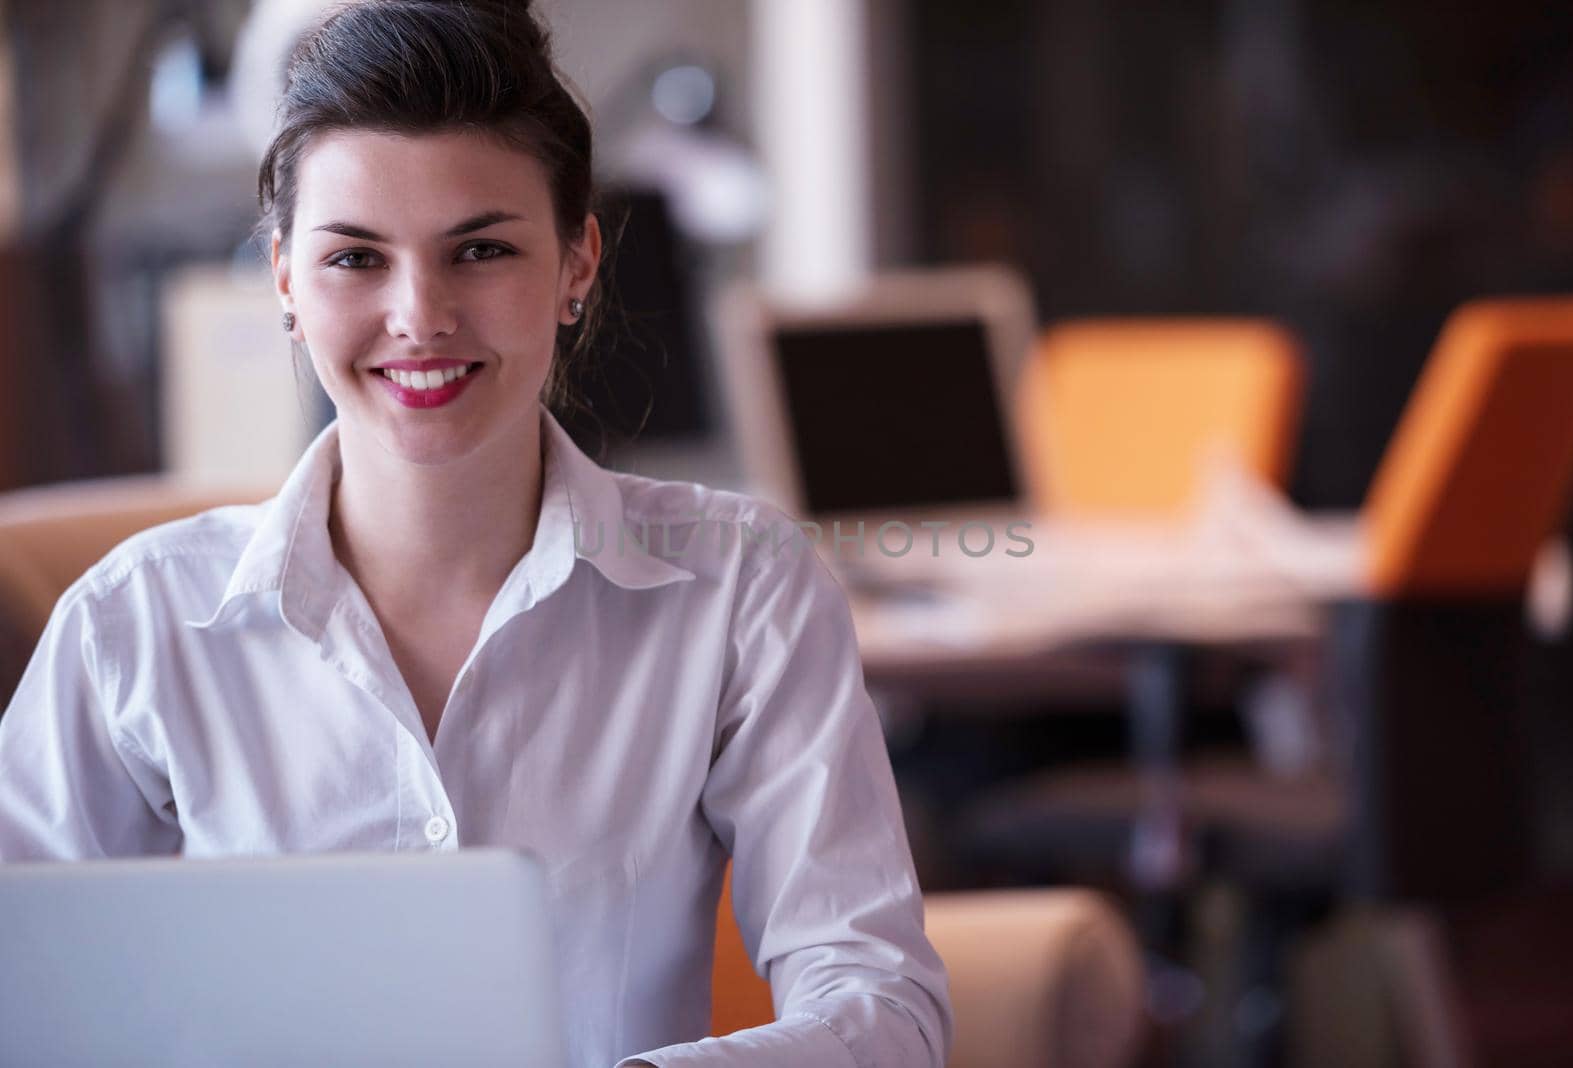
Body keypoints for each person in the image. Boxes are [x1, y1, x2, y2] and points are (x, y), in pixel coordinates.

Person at [0, 2, 952, 1065]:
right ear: (282, 278)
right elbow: (24, 998)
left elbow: (879, 1003)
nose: (420, 314)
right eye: (355, 258)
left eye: (481, 250)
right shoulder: (131, 627)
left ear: (578, 265)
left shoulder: (743, 591)